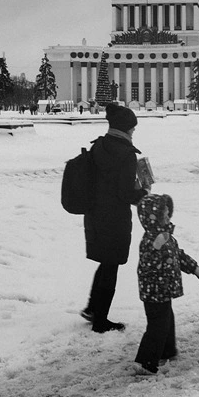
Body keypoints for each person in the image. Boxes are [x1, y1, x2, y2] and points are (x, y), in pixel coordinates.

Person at [80, 102, 149, 333]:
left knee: (106, 261)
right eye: (132, 127)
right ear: (125, 128)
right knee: (111, 265)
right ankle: (100, 320)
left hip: (95, 213)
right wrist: (143, 192)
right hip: (115, 217)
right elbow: (125, 193)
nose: (134, 130)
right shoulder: (126, 154)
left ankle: (93, 308)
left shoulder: (99, 145)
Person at [133, 193, 199, 375]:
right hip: (153, 292)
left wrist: (195, 269)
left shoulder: (166, 236)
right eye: (164, 214)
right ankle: (145, 362)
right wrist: (155, 248)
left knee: (166, 320)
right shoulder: (150, 240)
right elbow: (147, 264)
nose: (168, 217)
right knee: (157, 326)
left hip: (163, 291)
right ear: (153, 217)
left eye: (168, 213)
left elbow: (178, 255)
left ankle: (167, 351)